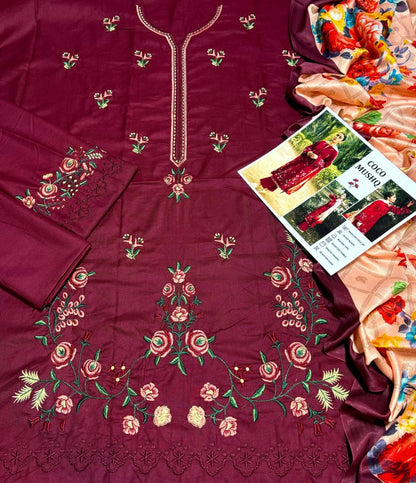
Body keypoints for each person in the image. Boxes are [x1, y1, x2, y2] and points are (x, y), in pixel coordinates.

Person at [259, 132, 346, 194]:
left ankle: (261, 185)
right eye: (337, 135)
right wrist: (309, 152)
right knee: (284, 171)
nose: (337, 137)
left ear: (341, 142)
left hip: (307, 168)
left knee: (288, 176)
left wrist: (317, 158)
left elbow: (326, 164)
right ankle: (267, 189)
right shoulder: (323, 142)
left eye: (340, 137)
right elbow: (309, 147)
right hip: (301, 160)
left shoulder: (334, 152)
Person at [348, 192, 414, 234]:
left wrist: (408, 205)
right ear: (388, 198)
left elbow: (399, 211)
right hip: (363, 220)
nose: (395, 198)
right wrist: (360, 220)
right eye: (394, 197)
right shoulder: (379, 202)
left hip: (370, 223)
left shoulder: (389, 206)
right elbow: (368, 210)